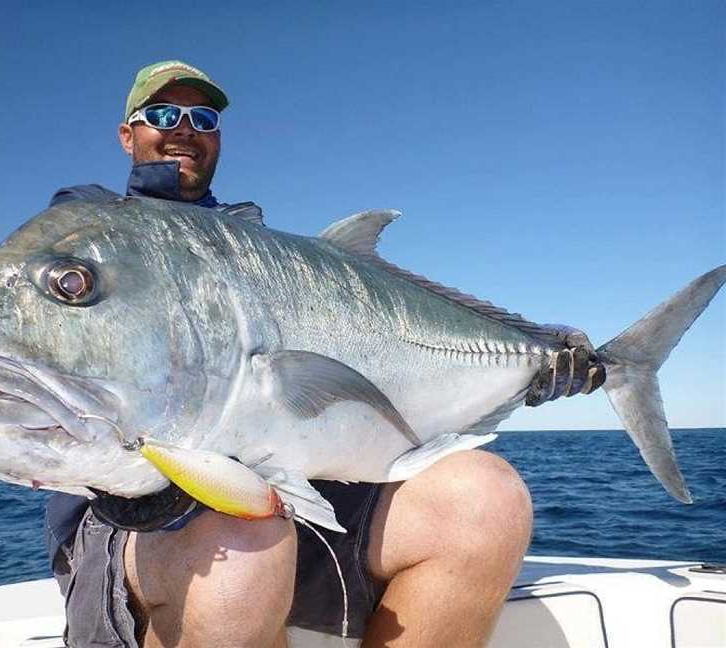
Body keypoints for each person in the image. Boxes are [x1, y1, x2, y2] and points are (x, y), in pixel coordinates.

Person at [45, 60, 604, 648]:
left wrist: (535, 357)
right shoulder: (92, 231)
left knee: (484, 502)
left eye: (202, 118)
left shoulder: (270, 260)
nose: (183, 128)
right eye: (161, 115)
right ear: (126, 135)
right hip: (132, 524)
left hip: (293, 498)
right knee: (244, 546)